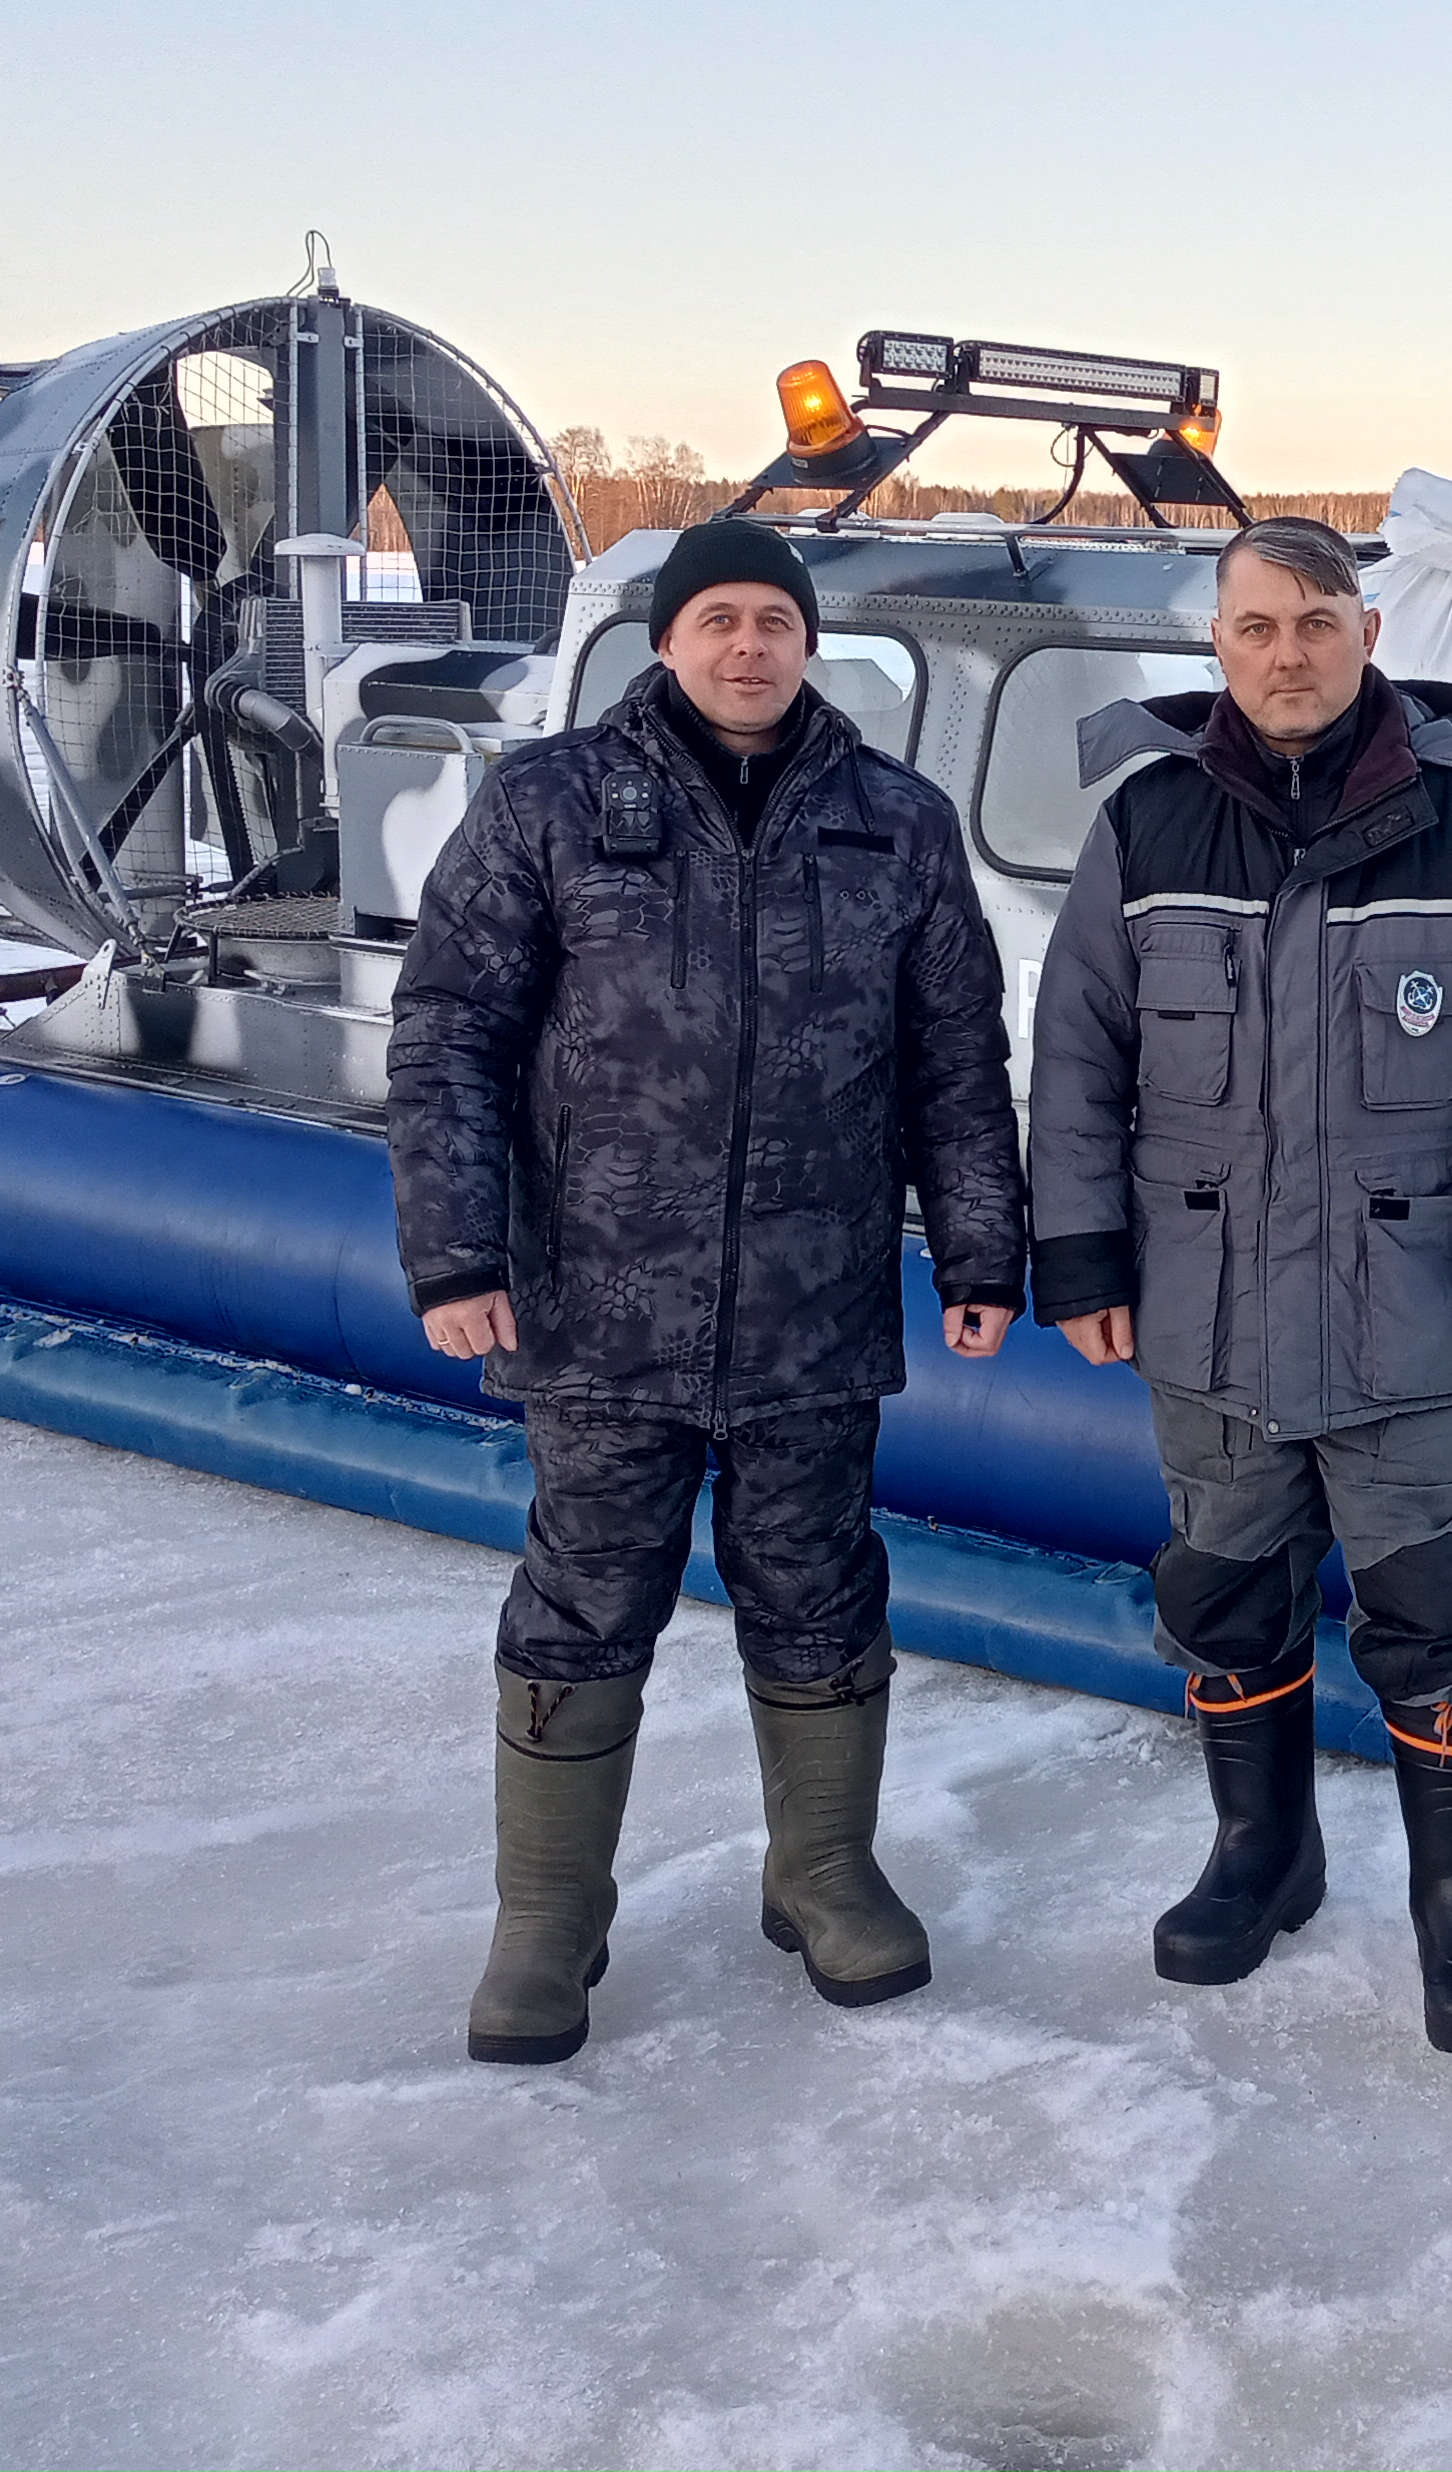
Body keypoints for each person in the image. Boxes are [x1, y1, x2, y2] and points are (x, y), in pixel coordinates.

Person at [389, 518, 1025, 2065]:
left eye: (774, 623)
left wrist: (983, 1244)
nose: (749, 647)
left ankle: (819, 1869)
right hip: (598, 1298)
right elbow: (449, 1030)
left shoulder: (897, 823)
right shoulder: (546, 806)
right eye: (718, 620)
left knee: (815, 1584)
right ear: (664, 643)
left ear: (812, 645)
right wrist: (457, 1249)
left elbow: (955, 1058)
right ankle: (548, 1913)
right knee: (583, 1595)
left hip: (814, 1300)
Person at [1027, 516, 1452, 2054]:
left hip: (1411, 1307)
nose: (1289, 655)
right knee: (1223, 1593)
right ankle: (1260, 1854)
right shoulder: (1145, 825)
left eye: (1319, 624)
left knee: (1439, 1599)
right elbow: (1077, 1053)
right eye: (1258, 627)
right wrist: (1076, 1250)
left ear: (1368, 635)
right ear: (1218, 644)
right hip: (1203, 1308)